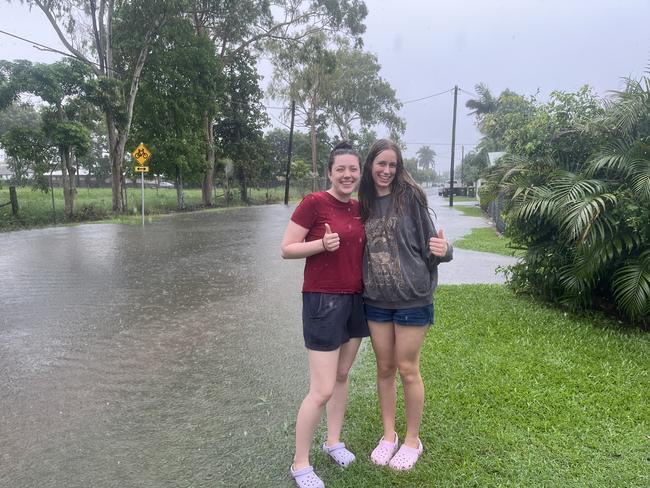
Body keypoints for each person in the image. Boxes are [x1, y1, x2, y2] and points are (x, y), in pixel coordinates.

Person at [358, 138, 453, 471]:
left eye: (392, 165)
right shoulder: (363, 201)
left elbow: (435, 244)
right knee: (384, 368)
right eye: (380, 164)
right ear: (370, 165)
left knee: (407, 368)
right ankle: (389, 435)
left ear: (398, 169)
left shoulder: (409, 197)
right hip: (377, 300)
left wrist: (446, 250)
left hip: (413, 296)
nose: (386, 170)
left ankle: (413, 439)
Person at [281, 141, 369, 488]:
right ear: (329, 172)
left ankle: (333, 441)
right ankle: (300, 463)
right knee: (321, 389)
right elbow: (286, 249)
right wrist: (321, 245)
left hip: (355, 300)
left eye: (353, 169)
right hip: (322, 300)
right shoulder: (314, 203)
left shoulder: (361, 208)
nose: (347, 175)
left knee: (342, 375)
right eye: (341, 169)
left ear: (359, 173)